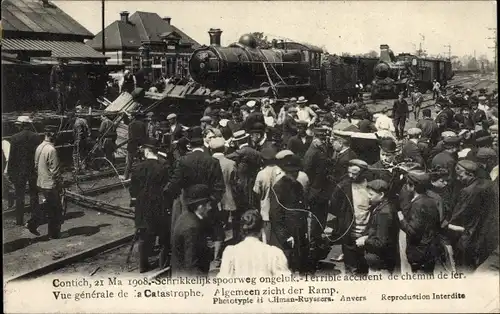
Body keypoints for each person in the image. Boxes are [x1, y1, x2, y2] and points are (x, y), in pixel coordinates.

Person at [164, 126, 225, 265]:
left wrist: (169, 200)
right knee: (208, 236)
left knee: (191, 236)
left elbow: (173, 185)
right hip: (207, 206)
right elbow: (219, 188)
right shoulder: (212, 161)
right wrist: (211, 203)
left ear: (189, 145)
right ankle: (209, 260)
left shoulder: (183, 161)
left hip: (188, 206)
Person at [443, 160, 499, 272]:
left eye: (460, 176)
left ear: (470, 174)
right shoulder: (489, 184)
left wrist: (445, 222)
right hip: (489, 233)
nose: (458, 179)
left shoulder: (467, 191)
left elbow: (458, 215)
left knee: (464, 266)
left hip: (471, 236)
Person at [129, 138, 171, 272]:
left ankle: (143, 265)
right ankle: (162, 265)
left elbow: (133, 189)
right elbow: (167, 187)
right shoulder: (163, 167)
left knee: (143, 235)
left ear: (147, 151)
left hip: (142, 205)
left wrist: (136, 199)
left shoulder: (137, 167)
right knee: (164, 236)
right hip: (159, 204)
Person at [326, 159, 370, 274]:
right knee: (351, 263)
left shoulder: (370, 184)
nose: (351, 176)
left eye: (355, 173)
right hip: (349, 228)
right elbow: (333, 206)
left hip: (367, 229)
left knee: (365, 262)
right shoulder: (343, 186)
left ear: (363, 173)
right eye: (349, 172)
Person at [218, 210, 291, 277]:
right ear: (261, 230)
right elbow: (284, 283)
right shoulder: (274, 253)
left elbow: (223, 283)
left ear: (242, 231)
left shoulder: (231, 252)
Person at [269, 153, 309, 273]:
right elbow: (275, 215)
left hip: (298, 231)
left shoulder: (297, 185)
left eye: (297, 172)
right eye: (292, 173)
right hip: (286, 233)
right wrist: (284, 235)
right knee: (285, 266)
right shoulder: (279, 188)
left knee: (298, 263)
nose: (295, 175)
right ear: (286, 172)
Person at [397, 171, 441, 273]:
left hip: (419, 252)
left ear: (412, 186)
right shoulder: (432, 200)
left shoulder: (417, 204)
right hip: (430, 249)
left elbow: (413, 232)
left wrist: (401, 219)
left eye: (407, 183)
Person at [356, 179, 399, 274]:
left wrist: (364, 241)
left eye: (371, 194)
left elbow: (381, 242)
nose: (368, 197)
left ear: (382, 195)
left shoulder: (384, 213)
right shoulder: (383, 206)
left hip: (380, 263)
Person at [171, 184, 213, 277]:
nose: (210, 208)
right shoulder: (192, 228)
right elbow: (192, 265)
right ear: (200, 206)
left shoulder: (185, 217)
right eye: (209, 205)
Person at [28, 126, 63, 238]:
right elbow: (55, 171)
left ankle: (32, 223)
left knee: (48, 206)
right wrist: (60, 183)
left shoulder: (39, 147)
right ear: (52, 135)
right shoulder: (52, 150)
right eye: (55, 134)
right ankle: (53, 234)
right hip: (50, 184)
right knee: (55, 209)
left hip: (41, 182)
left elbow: (36, 165)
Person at [8, 116, 41, 226]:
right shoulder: (36, 137)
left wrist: (10, 172)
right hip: (32, 169)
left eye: (18, 125)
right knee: (34, 195)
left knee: (19, 196)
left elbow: (12, 157)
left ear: (22, 125)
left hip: (19, 171)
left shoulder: (15, 138)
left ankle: (19, 220)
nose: (17, 126)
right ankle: (35, 218)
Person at [210, 138, 238, 242]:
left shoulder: (208, 162)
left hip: (213, 198)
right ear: (224, 149)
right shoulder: (231, 163)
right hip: (228, 197)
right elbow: (235, 181)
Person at [253, 147, 280, 243]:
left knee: (266, 238)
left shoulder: (261, 174)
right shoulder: (281, 172)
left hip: (265, 210)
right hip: (279, 209)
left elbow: (257, 191)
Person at [123, 111, 147, 180]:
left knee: (129, 162)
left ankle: (126, 176)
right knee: (141, 162)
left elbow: (131, 137)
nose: (129, 117)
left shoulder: (131, 124)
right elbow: (144, 135)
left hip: (132, 145)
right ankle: (142, 176)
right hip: (141, 145)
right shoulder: (142, 124)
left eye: (130, 116)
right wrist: (141, 145)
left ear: (133, 117)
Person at [71, 110, 90, 174]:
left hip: (79, 140)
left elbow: (80, 133)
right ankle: (83, 167)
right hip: (85, 140)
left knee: (75, 154)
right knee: (83, 154)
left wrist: (77, 141)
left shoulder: (77, 123)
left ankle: (77, 169)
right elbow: (88, 131)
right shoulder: (84, 120)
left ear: (73, 117)